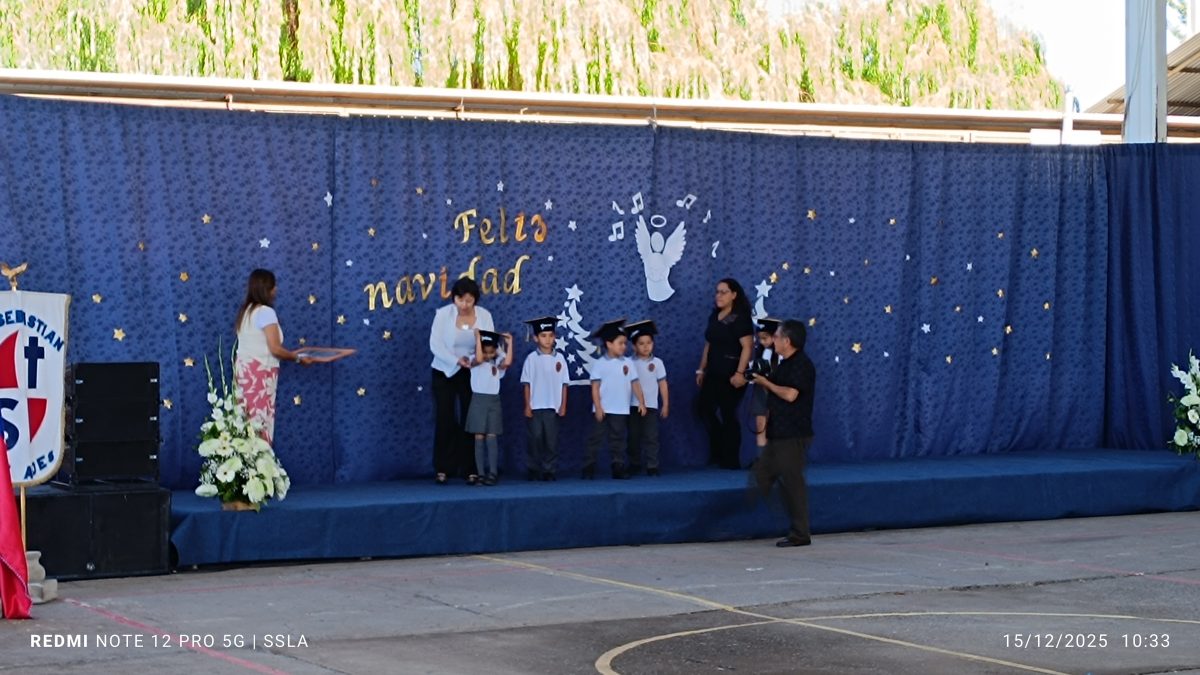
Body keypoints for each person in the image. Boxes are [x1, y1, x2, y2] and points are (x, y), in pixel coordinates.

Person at [749, 319, 816, 547]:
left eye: (776, 337)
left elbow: (790, 395)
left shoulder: (801, 365)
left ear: (787, 341)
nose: (773, 340)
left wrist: (766, 384)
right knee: (761, 475)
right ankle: (767, 518)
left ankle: (800, 532)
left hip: (793, 433)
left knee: (792, 482)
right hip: (778, 433)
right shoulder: (784, 363)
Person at [234, 269, 311, 445]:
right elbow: (275, 349)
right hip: (260, 376)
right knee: (260, 427)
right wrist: (297, 358)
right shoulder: (266, 312)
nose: (276, 290)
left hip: (243, 375)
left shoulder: (245, 313)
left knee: (244, 424)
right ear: (268, 289)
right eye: (274, 286)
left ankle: (246, 469)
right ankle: (260, 470)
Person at [429, 277, 494, 485]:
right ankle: (442, 468)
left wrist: (476, 360)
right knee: (445, 418)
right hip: (444, 371)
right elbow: (435, 345)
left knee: (470, 420)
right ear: (454, 298)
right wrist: (457, 360)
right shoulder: (442, 315)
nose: (464, 305)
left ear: (475, 299)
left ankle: (471, 469)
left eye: (469, 300)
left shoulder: (485, 316)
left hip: (473, 372)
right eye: (460, 299)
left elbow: (489, 343)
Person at [696, 278, 755, 469]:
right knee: (703, 409)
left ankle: (731, 460)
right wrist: (701, 368)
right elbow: (709, 343)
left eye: (723, 292)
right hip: (713, 372)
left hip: (731, 375)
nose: (719, 296)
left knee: (729, 414)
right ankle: (718, 451)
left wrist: (739, 373)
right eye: (717, 292)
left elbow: (747, 347)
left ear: (734, 295)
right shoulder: (714, 317)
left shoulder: (740, 318)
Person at [583, 319, 646, 479]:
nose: (624, 346)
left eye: (625, 343)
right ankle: (588, 467)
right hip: (603, 408)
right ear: (609, 344)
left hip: (620, 409)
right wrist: (597, 406)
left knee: (618, 439)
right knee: (595, 438)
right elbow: (595, 387)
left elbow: (635, 383)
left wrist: (641, 402)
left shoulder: (629, 363)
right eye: (620, 343)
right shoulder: (600, 364)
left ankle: (618, 466)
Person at [520, 316, 570, 481]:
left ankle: (549, 469)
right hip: (535, 407)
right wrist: (527, 405)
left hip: (552, 407)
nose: (547, 339)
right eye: (543, 335)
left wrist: (563, 405)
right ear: (535, 338)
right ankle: (533, 468)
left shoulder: (560, 359)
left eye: (550, 335)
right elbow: (527, 384)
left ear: (554, 337)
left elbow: (564, 384)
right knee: (534, 439)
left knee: (551, 440)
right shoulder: (531, 359)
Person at [464, 329, 513, 486]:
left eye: (491, 352)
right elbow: (478, 358)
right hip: (478, 399)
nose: (488, 355)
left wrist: (510, 344)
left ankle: (492, 473)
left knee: (492, 436)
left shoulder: (497, 363)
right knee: (479, 436)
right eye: (485, 351)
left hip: (493, 400)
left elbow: (508, 362)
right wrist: (478, 338)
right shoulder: (474, 359)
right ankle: (480, 473)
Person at [625, 320, 669, 476]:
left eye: (649, 343)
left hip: (650, 406)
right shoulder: (628, 363)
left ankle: (652, 465)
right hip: (632, 406)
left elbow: (662, 384)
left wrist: (665, 404)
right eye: (641, 343)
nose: (646, 346)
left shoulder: (658, 363)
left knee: (651, 436)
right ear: (634, 346)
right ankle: (634, 463)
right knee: (633, 437)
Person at [747, 317, 782, 457]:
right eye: (760, 338)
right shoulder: (761, 352)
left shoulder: (781, 354)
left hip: (776, 390)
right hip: (761, 390)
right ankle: (762, 459)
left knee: (776, 424)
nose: (762, 342)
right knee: (761, 424)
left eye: (765, 338)